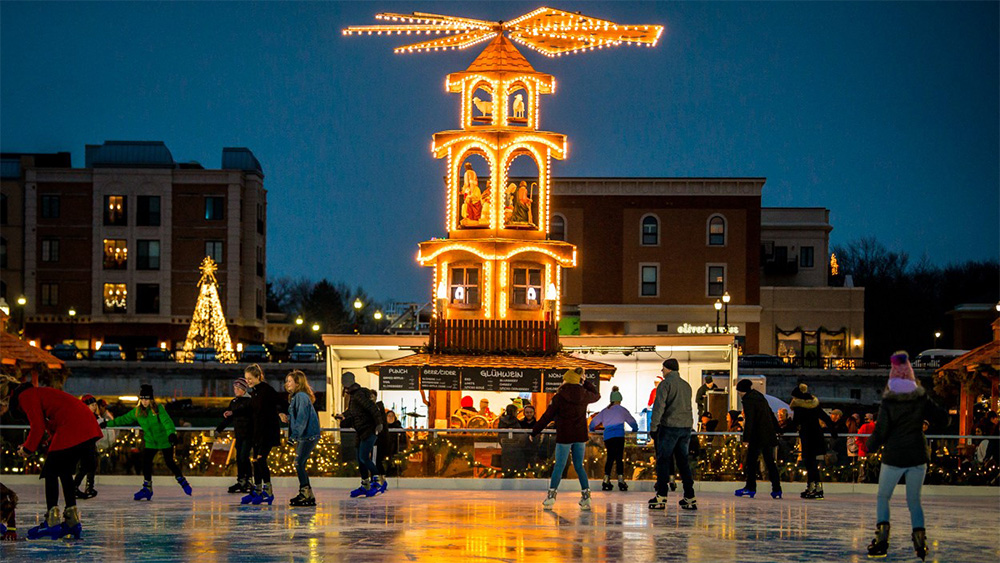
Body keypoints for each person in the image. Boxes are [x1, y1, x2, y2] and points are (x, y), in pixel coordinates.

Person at [864, 352, 948, 560]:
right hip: (917, 455)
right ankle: (920, 543)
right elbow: (943, 419)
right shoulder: (920, 398)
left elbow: (881, 430)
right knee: (914, 500)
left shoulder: (889, 401)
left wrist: (870, 445)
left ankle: (881, 541)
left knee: (883, 496)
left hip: (894, 456)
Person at [1, 375, 101, 540]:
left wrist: (27, 448)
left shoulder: (26, 396)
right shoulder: (36, 393)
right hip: (84, 424)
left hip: (73, 426)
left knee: (51, 471)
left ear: (7, 397)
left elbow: (37, 426)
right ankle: (72, 520)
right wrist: (51, 439)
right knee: (64, 471)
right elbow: (53, 419)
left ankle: (52, 521)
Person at [105, 384, 192, 502]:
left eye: (147, 399)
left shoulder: (158, 409)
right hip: (151, 441)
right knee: (146, 462)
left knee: (169, 462)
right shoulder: (137, 411)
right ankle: (147, 488)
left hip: (164, 440)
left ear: (151, 399)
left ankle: (183, 481)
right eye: (142, 399)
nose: (144, 401)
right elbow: (123, 419)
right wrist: (107, 424)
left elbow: (167, 422)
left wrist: (171, 434)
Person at [531, 367, 600, 510]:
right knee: (579, 466)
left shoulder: (559, 397)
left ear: (566, 380)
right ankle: (586, 497)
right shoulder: (584, 394)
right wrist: (585, 382)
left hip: (565, 436)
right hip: (580, 436)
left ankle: (551, 497)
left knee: (559, 466)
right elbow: (597, 395)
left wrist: (534, 431)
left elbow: (547, 416)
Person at [648, 359, 698, 510]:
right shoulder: (686, 385)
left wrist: (654, 427)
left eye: (663, 369)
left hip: (669, 427)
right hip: (685, 428)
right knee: (683, 462)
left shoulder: (665, 384)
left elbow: (659, 407)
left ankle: (661, 495)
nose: (662, 371)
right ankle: (689, 496)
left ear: (668, 369)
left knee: (663, 460)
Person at [336, 372, 385, 497]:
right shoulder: (354, 395)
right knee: (360, 459)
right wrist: (343, 415)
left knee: (363, 457)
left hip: (369, 429)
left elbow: (372, 408)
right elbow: (352, 411)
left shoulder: (359, 394)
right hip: (360, 431)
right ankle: (365, 484)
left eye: (344, 380)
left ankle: (378, 481)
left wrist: (379, 423)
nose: (343, 382)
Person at [785, 383, 837, 499]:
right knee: (812, 463)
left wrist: (783, 431)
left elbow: (795, 423)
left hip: (807, 437)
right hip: (817, 435)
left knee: (810, 464)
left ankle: (816, 488)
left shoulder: (799, 408)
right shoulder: (814, 405)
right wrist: (833, 431)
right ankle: (813, 487)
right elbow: (826, 418)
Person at [734, 379, 782, 499]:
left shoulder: (748, 400)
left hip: (757, 436)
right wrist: (778, 429)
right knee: (770, 462)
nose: (739, 394)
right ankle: (777, 489)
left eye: (739, 392)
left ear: (743, 391)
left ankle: (750, 487)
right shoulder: (760, 397)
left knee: (751, 462)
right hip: (767, 434)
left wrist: (746, 438)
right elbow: (770, 413)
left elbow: (750, 420)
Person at [242, 364, 281, 505]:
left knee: (261, 459)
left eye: (250, 378)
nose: (248, 381)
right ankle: (258, 490)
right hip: (257, 433)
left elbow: (280, 402)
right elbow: (251, 411)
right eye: (246, 379)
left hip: (267, 432)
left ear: (258, 377)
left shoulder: (267, 390)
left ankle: (268, 490)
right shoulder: (255, 393)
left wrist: (282, 412)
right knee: (255, 461)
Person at [281, 370, 321, 507]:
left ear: (298, 383)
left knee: (298, 463)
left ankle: (306, 494)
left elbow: (302, 418)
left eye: (289, 381)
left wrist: (294, 436)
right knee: (300, 463)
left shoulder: (301, 396)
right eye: (286, 381)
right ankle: (306, 493)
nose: (287, 384)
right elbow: (298, 417)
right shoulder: (297, 397)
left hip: (308, 435)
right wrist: (288, 418)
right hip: (306, 435)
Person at [589, 386, 638, 491]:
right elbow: (632, 422)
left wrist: (592, 429)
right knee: (619, 458)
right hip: (619, 436)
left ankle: (606, 479)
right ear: (619, 400)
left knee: (610, 457)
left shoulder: (605, 411)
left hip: (608, 437)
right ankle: (621, 480)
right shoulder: (622, 410)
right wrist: (635, 429)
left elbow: (593, 423)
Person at [216, 377, 254, 494]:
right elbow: (229, 418)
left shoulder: (250, 401)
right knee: (239, 457)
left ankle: (248, 480)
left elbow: (245, 411)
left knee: (244, 456)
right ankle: (241, 480)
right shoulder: (234, 402)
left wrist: (233, 412)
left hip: (249, 434)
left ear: (243, 389)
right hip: (239, 434)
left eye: (238, 388)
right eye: (234, 388)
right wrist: (218, 430)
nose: (235, 390)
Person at [72, 394, 103, 499]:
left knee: (92, 465)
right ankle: (75, 487)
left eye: (95, 405)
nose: (95, 407)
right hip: (84, 445)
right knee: (85, 467)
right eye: (92, 405)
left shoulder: (94, 417)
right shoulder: (83, 416)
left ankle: (88, 487)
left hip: (90, 444)